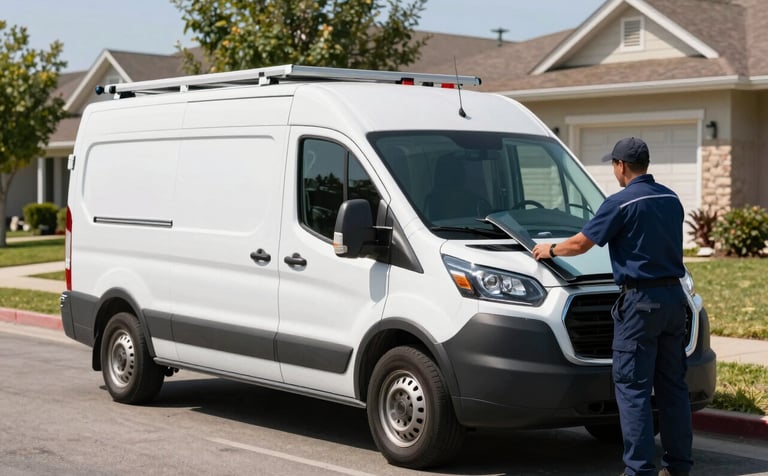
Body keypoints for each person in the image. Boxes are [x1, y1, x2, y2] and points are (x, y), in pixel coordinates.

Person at [532, 137, 692, 476]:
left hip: (640, 304)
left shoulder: (620, 203)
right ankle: (678, 467)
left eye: (614, 165)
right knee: (673, 388)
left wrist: (550, 249)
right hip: (675, 301)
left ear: (621, 166)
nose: (614, 171)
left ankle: (638, 471)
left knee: (633, 389)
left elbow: (580, 244)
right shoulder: (671, 198)